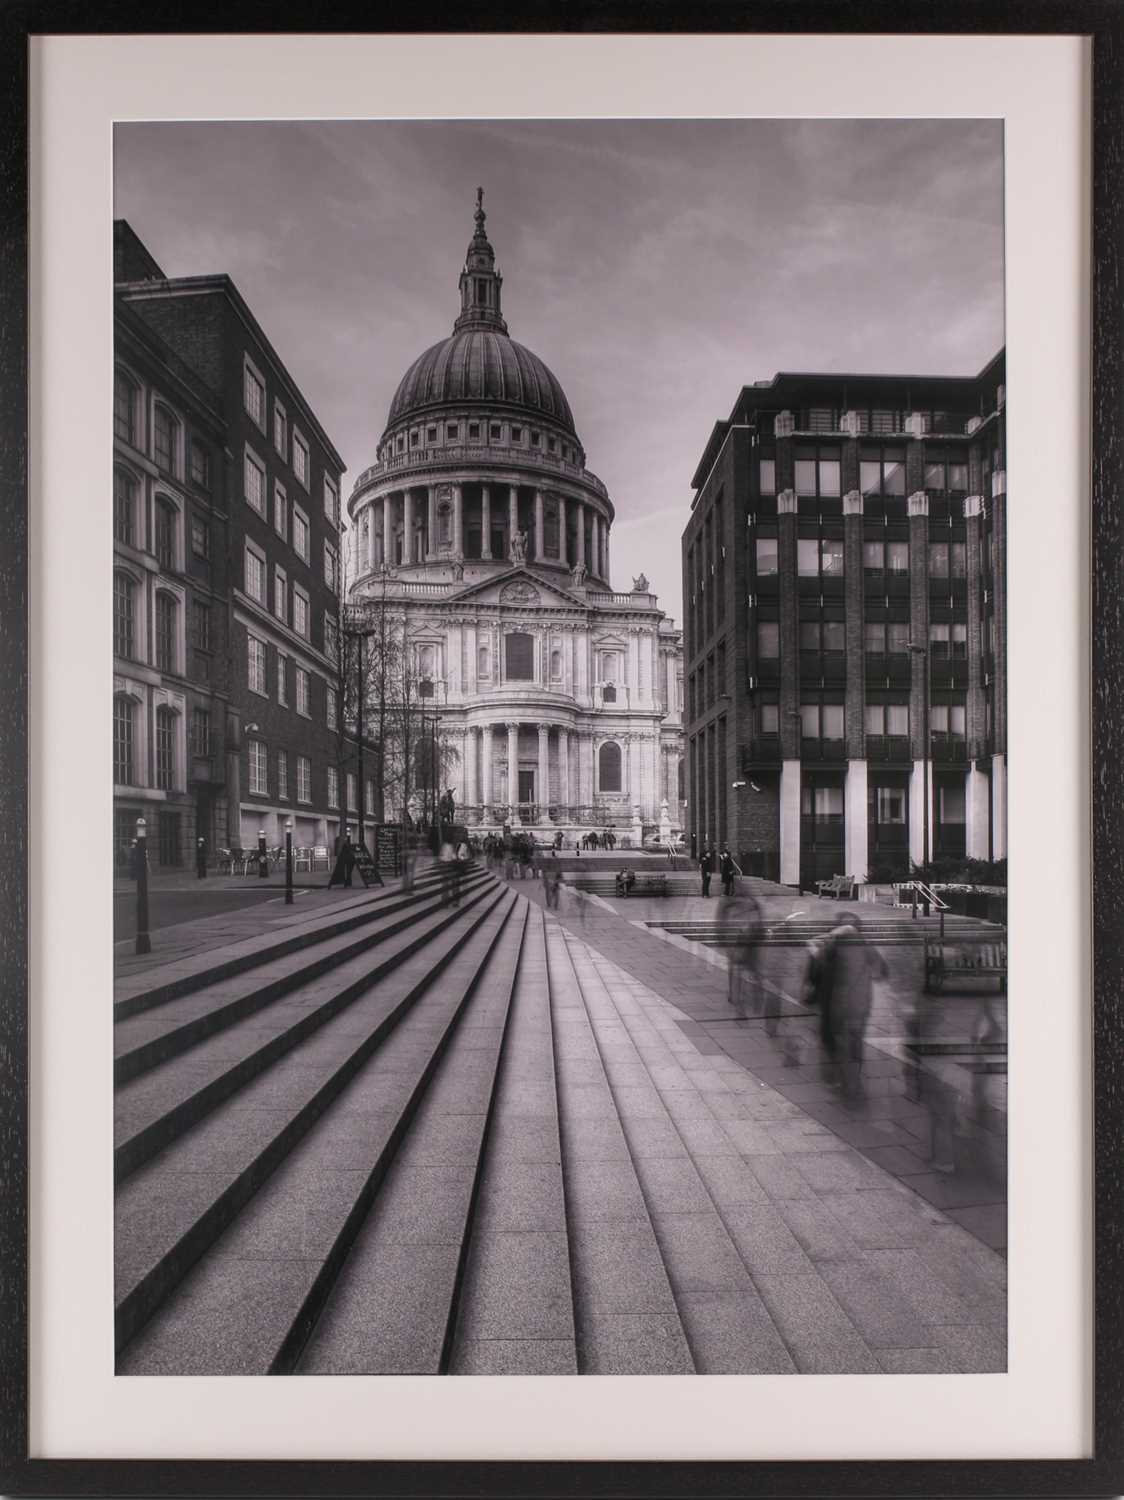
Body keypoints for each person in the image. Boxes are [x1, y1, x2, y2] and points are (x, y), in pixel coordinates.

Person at [816, 911, 888, 1102]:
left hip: (840, 1005)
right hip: (861, 1005)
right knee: (855, 1046)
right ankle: (854, 1084)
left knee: (843, 1045)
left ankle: (849, 1087)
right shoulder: (865, 944)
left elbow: (818, 963)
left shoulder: (833, 944)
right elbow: (881, 972)